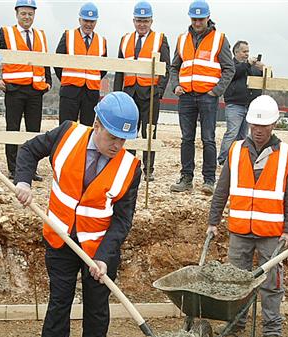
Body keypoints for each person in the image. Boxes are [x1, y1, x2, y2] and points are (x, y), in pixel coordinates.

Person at [13, 92, 142, 337]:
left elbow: (122, 221)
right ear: (96, 123)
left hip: (98, 251)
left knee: (97, 310)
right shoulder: (67, 134)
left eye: (123, 141)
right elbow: (29, 151)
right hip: (59, 240)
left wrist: (104, 259)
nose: (117, 146)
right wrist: (23, 182)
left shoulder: (130, 168)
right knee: (60, 304)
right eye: (112, 137)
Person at [207, 95, 288, 337]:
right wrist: (213, 221)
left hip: (271, 232)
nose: (258, 131)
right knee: (236, 281)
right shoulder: (236, 150)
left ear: (274, 124)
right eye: (255, 126)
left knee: (271, 283)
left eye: (264, 126)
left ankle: (272, 330)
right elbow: (221, 189)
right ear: (248, 124)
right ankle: (236, 322)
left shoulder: (285, 153)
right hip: (240, 231)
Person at [168, 0, 234, 195]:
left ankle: (209, 180)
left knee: (208, 139)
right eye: (194, 19)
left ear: (208, 17)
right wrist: (176, 85)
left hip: (208, 97)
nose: (197, 23)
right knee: (186, 138)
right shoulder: (182, 39)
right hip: (186, 96)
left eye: (201, 19)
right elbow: (174, 67)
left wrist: (216, 91)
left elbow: (229, 68)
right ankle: (186, 178)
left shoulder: (219, 39)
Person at [0, 0, 52, 181]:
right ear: (17, 14)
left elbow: (44, 59)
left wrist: (48, 81)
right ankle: (13, 168)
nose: (27, 17)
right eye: (24, 13)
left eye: (30, 14)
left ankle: (31, 170)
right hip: (14, 89)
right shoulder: (6, 32)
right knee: (13, 129)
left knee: (33, 132)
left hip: (35, 90)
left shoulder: (40, 35)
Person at [113, 1, 170, 182]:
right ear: (133, 21)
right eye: (139, 20)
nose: (142, 24)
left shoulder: (160, 39)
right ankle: (129, 165)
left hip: (150, 94)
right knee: (129, 131)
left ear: (151, 21)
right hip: (129, 94)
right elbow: (119, 69)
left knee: (149, 132)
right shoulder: (125, 39)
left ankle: (148, 169)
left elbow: (165, 67)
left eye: (145, 21)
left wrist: (159, 91)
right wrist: (118, 94)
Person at [55, 3, 107, 126]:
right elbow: (57, 62)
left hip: (91, 93)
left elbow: (103, 67)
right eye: (86, 20)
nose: (89, 24)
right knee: (66, 129)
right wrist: (67, 79)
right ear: (80, 20)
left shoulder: (101, 41)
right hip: (70, 91)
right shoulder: (68, 36)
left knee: (88, 130)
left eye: (92, 21)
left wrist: (93, 79)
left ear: (96, 22)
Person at [217, 40, 264, 166]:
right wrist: (247, 64)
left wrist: (262, 70)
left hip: (248, 105)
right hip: (234, 104)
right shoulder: (230, 65)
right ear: (236, 52)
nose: (247, 54)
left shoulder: (250, 67)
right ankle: (223, 159)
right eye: (244, 51)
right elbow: (235, 73)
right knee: (232, 132)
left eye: (248, 51)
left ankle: (238, 158)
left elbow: (261, 80)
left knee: (243, 135)